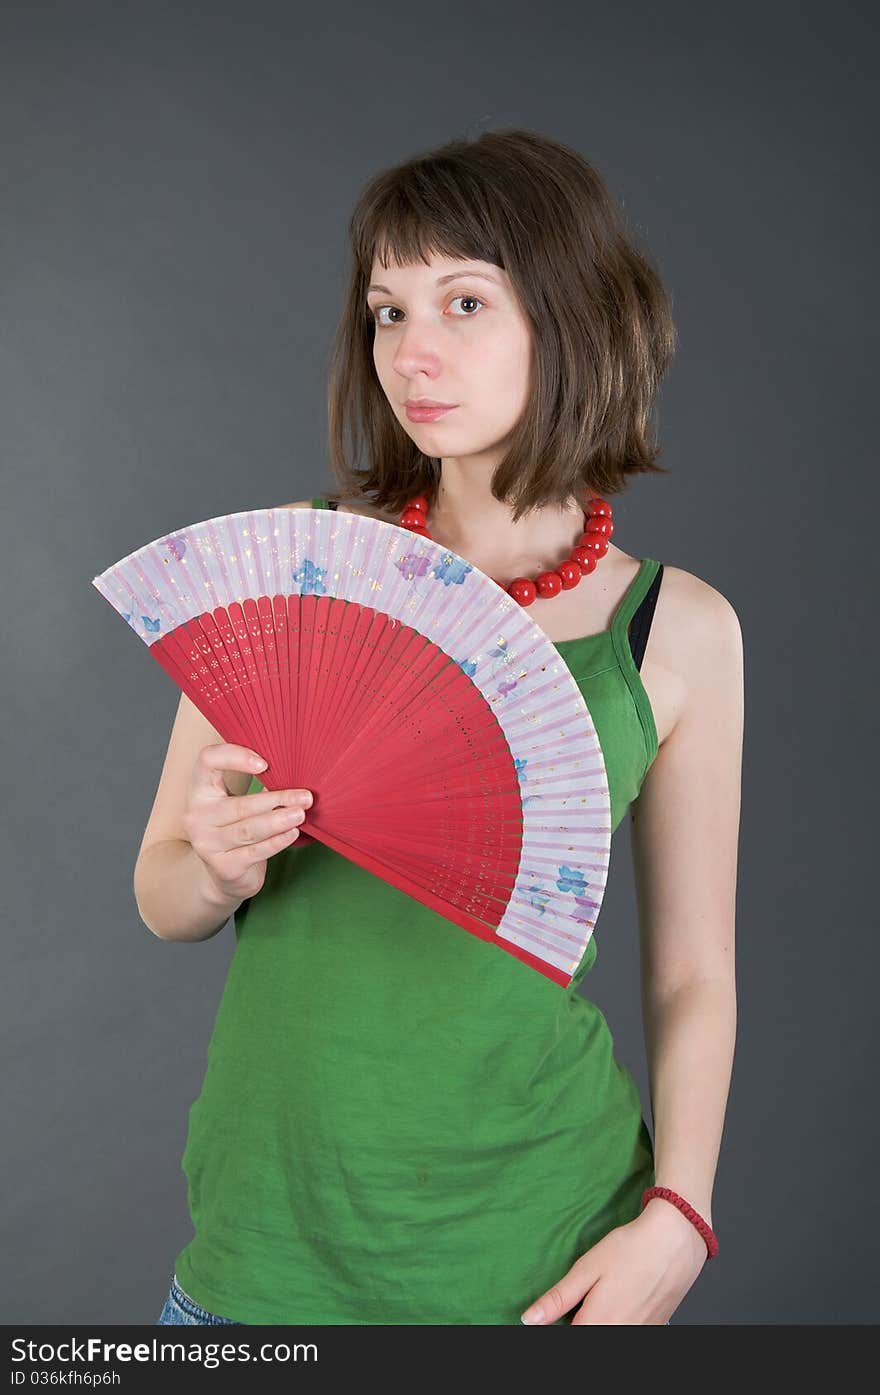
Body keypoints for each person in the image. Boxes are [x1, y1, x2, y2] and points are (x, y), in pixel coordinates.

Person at [136, 128, 742, 1326]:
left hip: (537, 1259)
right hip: (262, 1252)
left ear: (571, 317)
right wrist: (211, 867)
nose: (412, 353)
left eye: (463, 302)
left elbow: (692, 973)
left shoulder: (677, 632)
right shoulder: (290, 575)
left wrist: (677, 1221)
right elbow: (162, 895)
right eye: (385, 310)